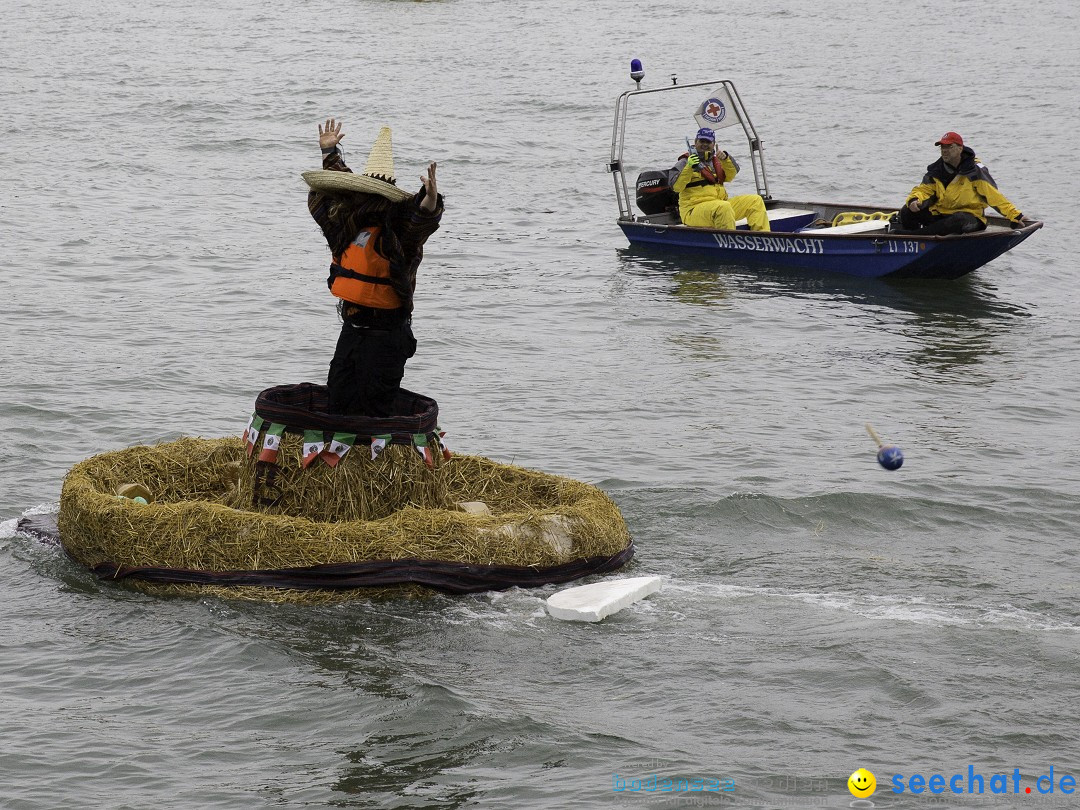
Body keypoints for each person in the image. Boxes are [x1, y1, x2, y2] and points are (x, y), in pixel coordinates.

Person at [303, 119, 444, 416]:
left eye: (373, 198)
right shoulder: (345, 228)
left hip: (387, 335)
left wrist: (430, 201)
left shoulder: (399, 234)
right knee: (338, 397)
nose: (367, 203)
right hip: (352, 328)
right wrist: (330, 153)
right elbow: (333, 192)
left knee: (374, 406)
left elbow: (421, 222)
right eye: (364, 196)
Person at [893, 131, 1029, 235]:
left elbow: (994, 196)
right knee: (906, 211)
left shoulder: (975, 171)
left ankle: (914, 236)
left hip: (970, 218)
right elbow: (924, 190)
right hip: (942, 214)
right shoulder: (936, 170)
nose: (944, 151)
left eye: (949, 147)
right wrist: (915, 200)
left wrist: (1015, 215)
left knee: (957, 220)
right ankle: (913, 243)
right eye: (942, 148)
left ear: (960, 148)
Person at [672, 127, 769, 231]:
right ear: (695, 142)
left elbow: (730, 176)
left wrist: (726, 159)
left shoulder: (717, 161)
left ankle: (763, 239)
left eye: (708, 142)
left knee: (756, 200)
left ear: (713, 144)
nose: (705, 144)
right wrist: (689, 167)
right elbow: (676, 187)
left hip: (719, 204)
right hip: (693, 210)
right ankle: (729, 245)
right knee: (723, 208)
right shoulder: (684, 162)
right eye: (702, 141)